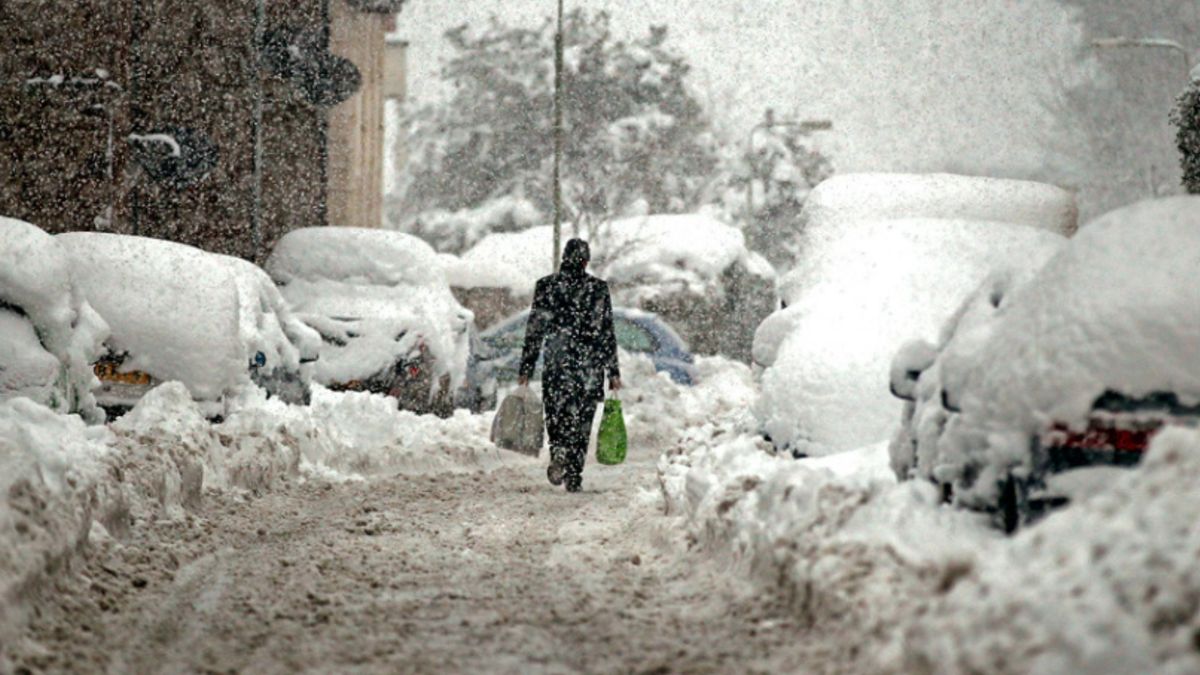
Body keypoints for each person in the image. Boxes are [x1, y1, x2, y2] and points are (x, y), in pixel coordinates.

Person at [518, 238, 621, 493]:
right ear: (586, 261)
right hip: (589, 366)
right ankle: (574, 473)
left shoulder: (546, 286)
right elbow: (607, 331)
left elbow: (535, 330)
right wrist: (613, 371)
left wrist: (526, 368)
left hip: (557, 364)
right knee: (582, 422)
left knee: (557, 415)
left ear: (564, 257)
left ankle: (559, 450)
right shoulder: (597, 289)